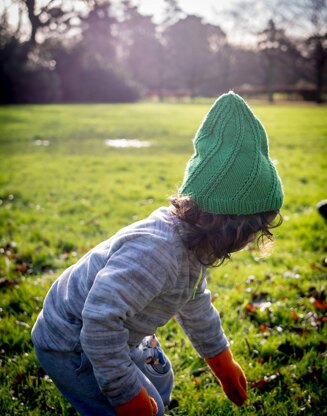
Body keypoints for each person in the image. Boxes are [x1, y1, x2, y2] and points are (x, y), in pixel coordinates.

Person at [31, 91, 284, 416]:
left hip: (120, 330)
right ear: (231, 228)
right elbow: (98, 324)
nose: (250, 242)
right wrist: (126, 398)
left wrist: (222, 361)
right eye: (253, 233)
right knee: (137, 406)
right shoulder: (155, 254)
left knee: (160, 387)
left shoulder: (194, 242)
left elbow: (194, 301)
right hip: (73, 342)